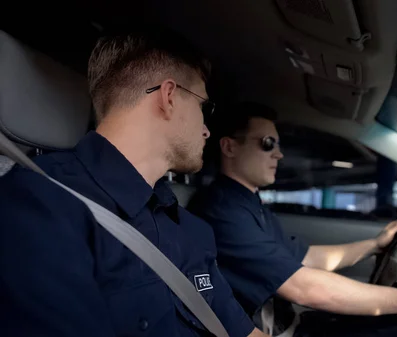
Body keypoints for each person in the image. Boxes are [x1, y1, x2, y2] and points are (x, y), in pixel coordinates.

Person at [0, 30, 267, 337]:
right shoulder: (37, 206)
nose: (207, 130)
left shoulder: (192, 230)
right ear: (168, 97)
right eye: (202, 107)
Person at [187, 102, 397, 337]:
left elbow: (305, 258)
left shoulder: (247, 203)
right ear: (229, 147)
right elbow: (302, 287)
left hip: (292, 323)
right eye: (268, 143)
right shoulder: (222, 211)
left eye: (278, 145)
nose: (279, 154)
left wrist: (374, 245)